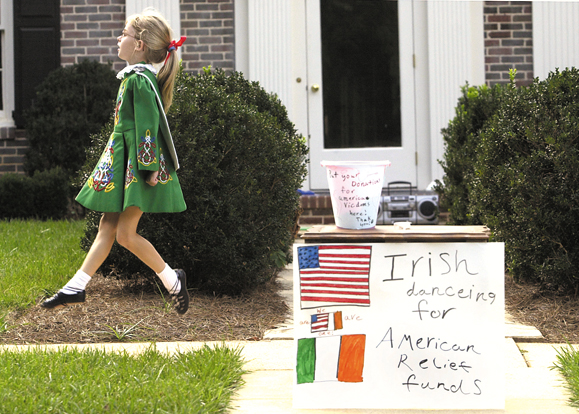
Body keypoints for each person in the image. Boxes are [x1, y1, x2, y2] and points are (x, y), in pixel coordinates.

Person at [41, 9, 189, 314]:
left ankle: (173, 280)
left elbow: (148, 127)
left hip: (137, 168)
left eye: (124, 34)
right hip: (124, 163)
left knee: (124, 234)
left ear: (139, 45)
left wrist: (148, 169)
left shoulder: (139, 81)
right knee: (107, 227)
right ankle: (75, 287)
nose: (118, 38)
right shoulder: (133, 78)